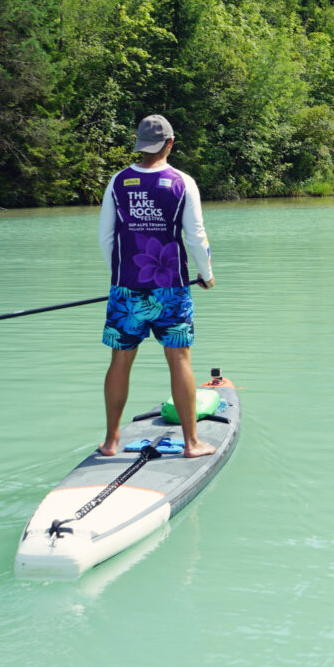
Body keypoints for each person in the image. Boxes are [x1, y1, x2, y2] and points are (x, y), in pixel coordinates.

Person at [96, 114, 216, 458]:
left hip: (125, 287)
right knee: (179, 359)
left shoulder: (118, 181)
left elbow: (106, 238)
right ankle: (192, 443)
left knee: (120, 360)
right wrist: (206, 274)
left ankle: (110, 441)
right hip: (172, 288)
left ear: (138, 145)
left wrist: (119, 278)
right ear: (170, 143)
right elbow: (196, 237)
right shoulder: (183, 182)